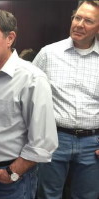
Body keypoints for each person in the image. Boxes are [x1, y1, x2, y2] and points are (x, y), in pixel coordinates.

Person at [0, 9, 58, 199]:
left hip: (12, 179)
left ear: (10, 38)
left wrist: (11, 173)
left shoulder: (32, 79)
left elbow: (43, 142)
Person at [33, 1, 99, 198]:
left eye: (88, 20)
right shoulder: (48, 54)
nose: (79, 24)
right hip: (54, 139)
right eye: (77, 18)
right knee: (47, 195)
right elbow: (29, 94)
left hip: (93, 144)